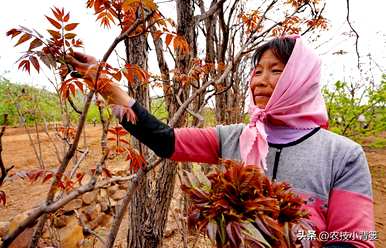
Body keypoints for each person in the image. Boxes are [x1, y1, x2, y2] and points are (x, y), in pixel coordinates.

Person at [66, 36, 375, 248]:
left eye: (276, 71)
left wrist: (299, 236)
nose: (259, 81)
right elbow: (165, 140)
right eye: (257, 71)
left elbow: (360, 236)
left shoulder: (343, 154)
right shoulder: (236, 137)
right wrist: (101, 82)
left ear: (300, 80)